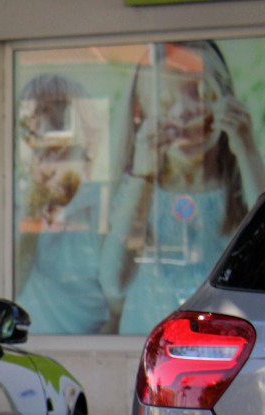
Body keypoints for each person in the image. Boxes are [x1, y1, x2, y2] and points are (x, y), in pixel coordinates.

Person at [101, 41, 265, 335]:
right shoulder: (138, 184)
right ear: (142, 114)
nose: (185, 111)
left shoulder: (245, 180)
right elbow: (114, 282)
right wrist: (143, 175)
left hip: (226, 348)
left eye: (199, 93)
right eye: (164, 101)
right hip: (147, 344)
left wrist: (247, 149)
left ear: (225, 97)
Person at [14, 73, 110, 334]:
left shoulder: (102, 209)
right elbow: (10, 286)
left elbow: (118, 315)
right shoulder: (14, 203)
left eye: (57, 120)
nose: (49, 153)